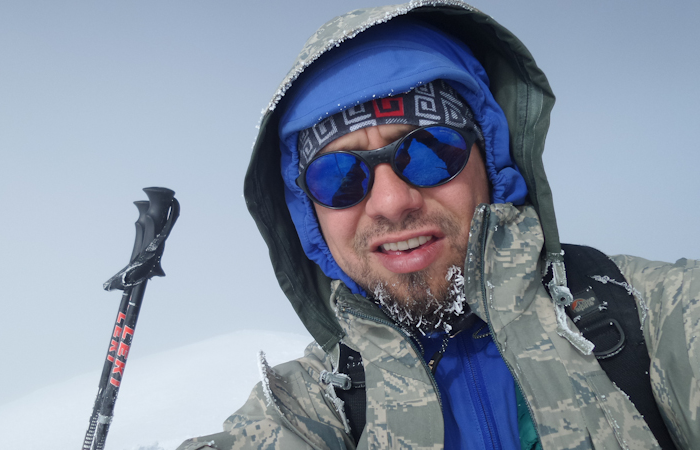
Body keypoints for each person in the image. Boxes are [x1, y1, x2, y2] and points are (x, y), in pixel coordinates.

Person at [179, 2, 699, 449]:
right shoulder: (308, 408)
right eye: (339, 177)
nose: (391, 202)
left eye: (429, 151)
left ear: (492, 162)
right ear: (309, 217)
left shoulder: (656, 316)